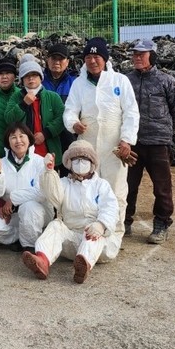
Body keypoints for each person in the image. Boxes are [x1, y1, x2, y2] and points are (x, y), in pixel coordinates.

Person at [63, 37, 140, 235]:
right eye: (88, 56)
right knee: (87, 190)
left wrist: (127, 140)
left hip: (114, 149)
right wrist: (74, 124)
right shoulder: (79, 84)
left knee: (116, 191)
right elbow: (70, 110)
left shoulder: (119, 81)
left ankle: (114, 233)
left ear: (105, 59)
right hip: (87, 147)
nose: (92, 61)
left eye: (97, 56)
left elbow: (131, 112)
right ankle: (89, 232)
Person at [21, 140, 120, 284]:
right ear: (69, 163)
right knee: (56, 225)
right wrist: (48, 171)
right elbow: (52, 194)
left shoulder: (101, 185)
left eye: (84, 159)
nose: (80, 163)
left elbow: (110, 207)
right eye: (76, 160)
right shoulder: (64, 183)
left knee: (93, 236)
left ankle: (83, 265)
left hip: (98, 241)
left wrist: (101, 225)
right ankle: (42, 260)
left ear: (92, 163)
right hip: (72, 238)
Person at [124, 39, 175, 244]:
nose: (137, 57)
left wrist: (166, 133)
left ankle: (161, 224)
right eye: (135, 54)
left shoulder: (166, 81)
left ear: (153, 56)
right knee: (127, 185)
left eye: (142, 54)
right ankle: (124, 222)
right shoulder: (126, 81)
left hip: (158, 143)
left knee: (162, 187)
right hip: (132, 143)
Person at [0, 123, 53, 250]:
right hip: (13, 214)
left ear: (29, 139)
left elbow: (41, 192)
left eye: (22, 136)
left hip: (37, 211)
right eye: (13, 137)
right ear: (8, 142)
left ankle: (29, 247)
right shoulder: (2, 163)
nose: (18, 140)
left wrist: (13, 198)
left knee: (28, 207)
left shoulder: (39, 161)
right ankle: (20, 237)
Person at [5, 54, 65, 161]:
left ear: (41, 78)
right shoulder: (16, 97)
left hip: (49, 151)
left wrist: (45, 133)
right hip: (24, 153)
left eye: (35, 75)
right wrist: (23, 105)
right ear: (22, 80)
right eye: (27, 75)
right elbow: (9, 119)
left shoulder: (53, 96)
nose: (31, 78)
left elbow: (62, 118)